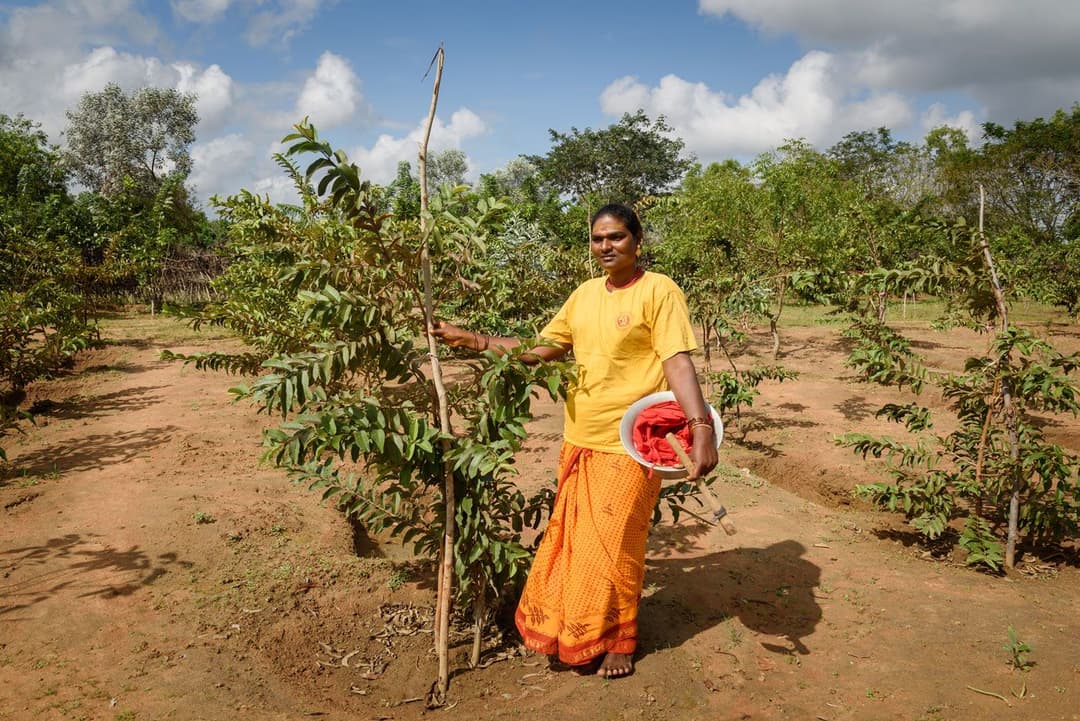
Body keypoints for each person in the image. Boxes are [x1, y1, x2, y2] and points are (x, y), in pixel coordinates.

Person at [432, 203, 718, 678]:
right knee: (576, 545)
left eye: (617, 237)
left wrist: (701, 426)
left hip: (630, 445)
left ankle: (619, 639)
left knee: (617, 545)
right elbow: (544, 348)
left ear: (637, 241)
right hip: (580, 439)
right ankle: (578, 626)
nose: (606, 246)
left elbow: (678, 362)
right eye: (598, 239)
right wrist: (473, 340)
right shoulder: (584, 295)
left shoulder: (659, 291)